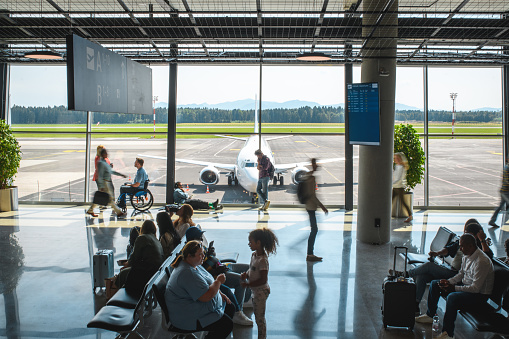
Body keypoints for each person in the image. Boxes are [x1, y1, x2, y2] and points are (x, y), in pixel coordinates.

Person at [401, 218, 493, 314]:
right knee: (422, 276)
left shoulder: (476, 248)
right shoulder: (462, 242)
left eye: (468, 233)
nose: (464, 235)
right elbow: (448, 249)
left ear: (475, 235)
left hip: (455, 274)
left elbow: (488, 256)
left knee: (429, 266)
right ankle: (416, 305)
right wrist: (437, 253)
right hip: (451, 271)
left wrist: (482, 240)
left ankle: (406, 274)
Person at [415, 233, 494, 339]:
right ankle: (430, 315)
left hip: (479, 296)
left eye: (462, 246)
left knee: (452, 297)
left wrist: (454, 288)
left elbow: (476, 288)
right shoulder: (468, 254)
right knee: (435, 284)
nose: (460, 249)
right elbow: (461, 274)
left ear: (470, 246)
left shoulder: (482, 261)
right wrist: (448, 282)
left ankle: (448, 334)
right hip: (467, 287)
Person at [185, 226, 253, 326]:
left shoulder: (199, 246)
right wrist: (216, 271)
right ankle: (237, 312)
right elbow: (203, 271)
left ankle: (245, 299)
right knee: (241, 280)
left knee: (249, 268)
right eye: (199, 237)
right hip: (217, 273)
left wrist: (212, 253)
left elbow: (208, 259)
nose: (201, 238)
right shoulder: (192, 252)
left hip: (222, 266)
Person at [165, 240, 234, 339]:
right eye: (200, 254)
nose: (203, 256)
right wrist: (218, 282)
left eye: (203, 253)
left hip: (194, 309)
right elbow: (206, 297)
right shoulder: (187, 273)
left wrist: (219, 292)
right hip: (187, 318)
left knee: (230, 307)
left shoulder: (194, 265)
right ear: (189, 256)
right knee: (226, 325)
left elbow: (209, 282)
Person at [240, 228, 279, 339]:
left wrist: (248, 284)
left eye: (251, 242)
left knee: (259, 318)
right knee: (258, 315)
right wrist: (246, 275)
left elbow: (263, 280)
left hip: (261, 292)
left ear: (258, 243)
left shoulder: (263, 260)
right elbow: (251, 269)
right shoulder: (254, 255)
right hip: (256, 292)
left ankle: (262, 336)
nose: (249, 244)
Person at [116, 220, 164, 298]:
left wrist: (125, 263)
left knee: (122, 274)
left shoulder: (142, 238)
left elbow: (133, 258)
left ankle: (120, 297)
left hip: (146, 272)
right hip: (155, 272)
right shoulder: (155, 239)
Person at [87, 148, 126, 217]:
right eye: (105, 153)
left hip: (107, 182)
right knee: (110, 198)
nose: (107, 154)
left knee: (103, 198)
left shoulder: (104, 162)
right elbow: (101, 175)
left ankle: (90, 210)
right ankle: (119, 212)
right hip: (105, 183)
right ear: (102, 154)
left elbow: (111, 171)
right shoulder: (101, 163)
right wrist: (101, 186)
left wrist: (120, 174)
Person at [302, 158, 328, 262]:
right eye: (316, 164)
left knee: (314, 229)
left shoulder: (308, 176)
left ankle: (310, 253)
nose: (318, 166)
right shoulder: (311, 178)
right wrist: (322, 206)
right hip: (311, 207)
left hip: (309, 206)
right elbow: (312, 195)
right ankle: (310, 254)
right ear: (313, 165)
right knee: (314, 230)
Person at [392, 152, 413, 223]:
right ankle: (410, 216)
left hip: (399, 187)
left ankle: (410, 216)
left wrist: (391, 184)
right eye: (395, 158)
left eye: (397, 158)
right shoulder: (397, 166)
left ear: (400, 159)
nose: (396, 159)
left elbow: (398, 178)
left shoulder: (401, 167)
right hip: (396, 186)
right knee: (390, 201)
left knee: (402, 202)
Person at [489, 158, 509, 227]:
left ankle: (492, 221)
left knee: (499, 206)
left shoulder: (506, 167)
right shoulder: (508, 168)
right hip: (506, 191)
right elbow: (507, 180)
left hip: (504, 190)